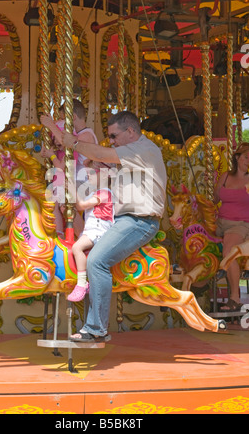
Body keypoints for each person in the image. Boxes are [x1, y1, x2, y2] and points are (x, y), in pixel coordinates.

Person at [61, 110, 167, 341]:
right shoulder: (129, 155)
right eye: (109, 137)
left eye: (113, 136)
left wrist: (76, 144)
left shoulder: (144, 149)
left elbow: (103, 153)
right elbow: (101, 162)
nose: (111, 141)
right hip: (119, 221)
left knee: (97, 261)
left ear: (130, 132)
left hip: (138, 221)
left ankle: (96, 329)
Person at [41, 99, 98, 237]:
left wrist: (51, 125)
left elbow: (68, 144)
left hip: (86, 181)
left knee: (65, 200)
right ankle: (59, 234)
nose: (61, 123)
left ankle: (85, 237)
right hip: (75, 180)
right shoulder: (78, 134)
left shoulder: (86, 135)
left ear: (72, 117)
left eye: (62, 118)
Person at [67, 162, 114, 302]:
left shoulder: (106, 193)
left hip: (99, 232)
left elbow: (81, 204)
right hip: (91, 231)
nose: (88, 174)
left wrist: (72, 190)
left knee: (76, 247)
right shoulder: (95, 194)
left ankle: (82, 284)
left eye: (93, 172)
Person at [214, 142, 249, 312]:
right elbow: (215, 199)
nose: (248, 161)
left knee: (229, 252)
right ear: (237, 158)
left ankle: (235, 297)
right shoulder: (225, 176)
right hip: (219, 223)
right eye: (246, 157)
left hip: (239, 225)